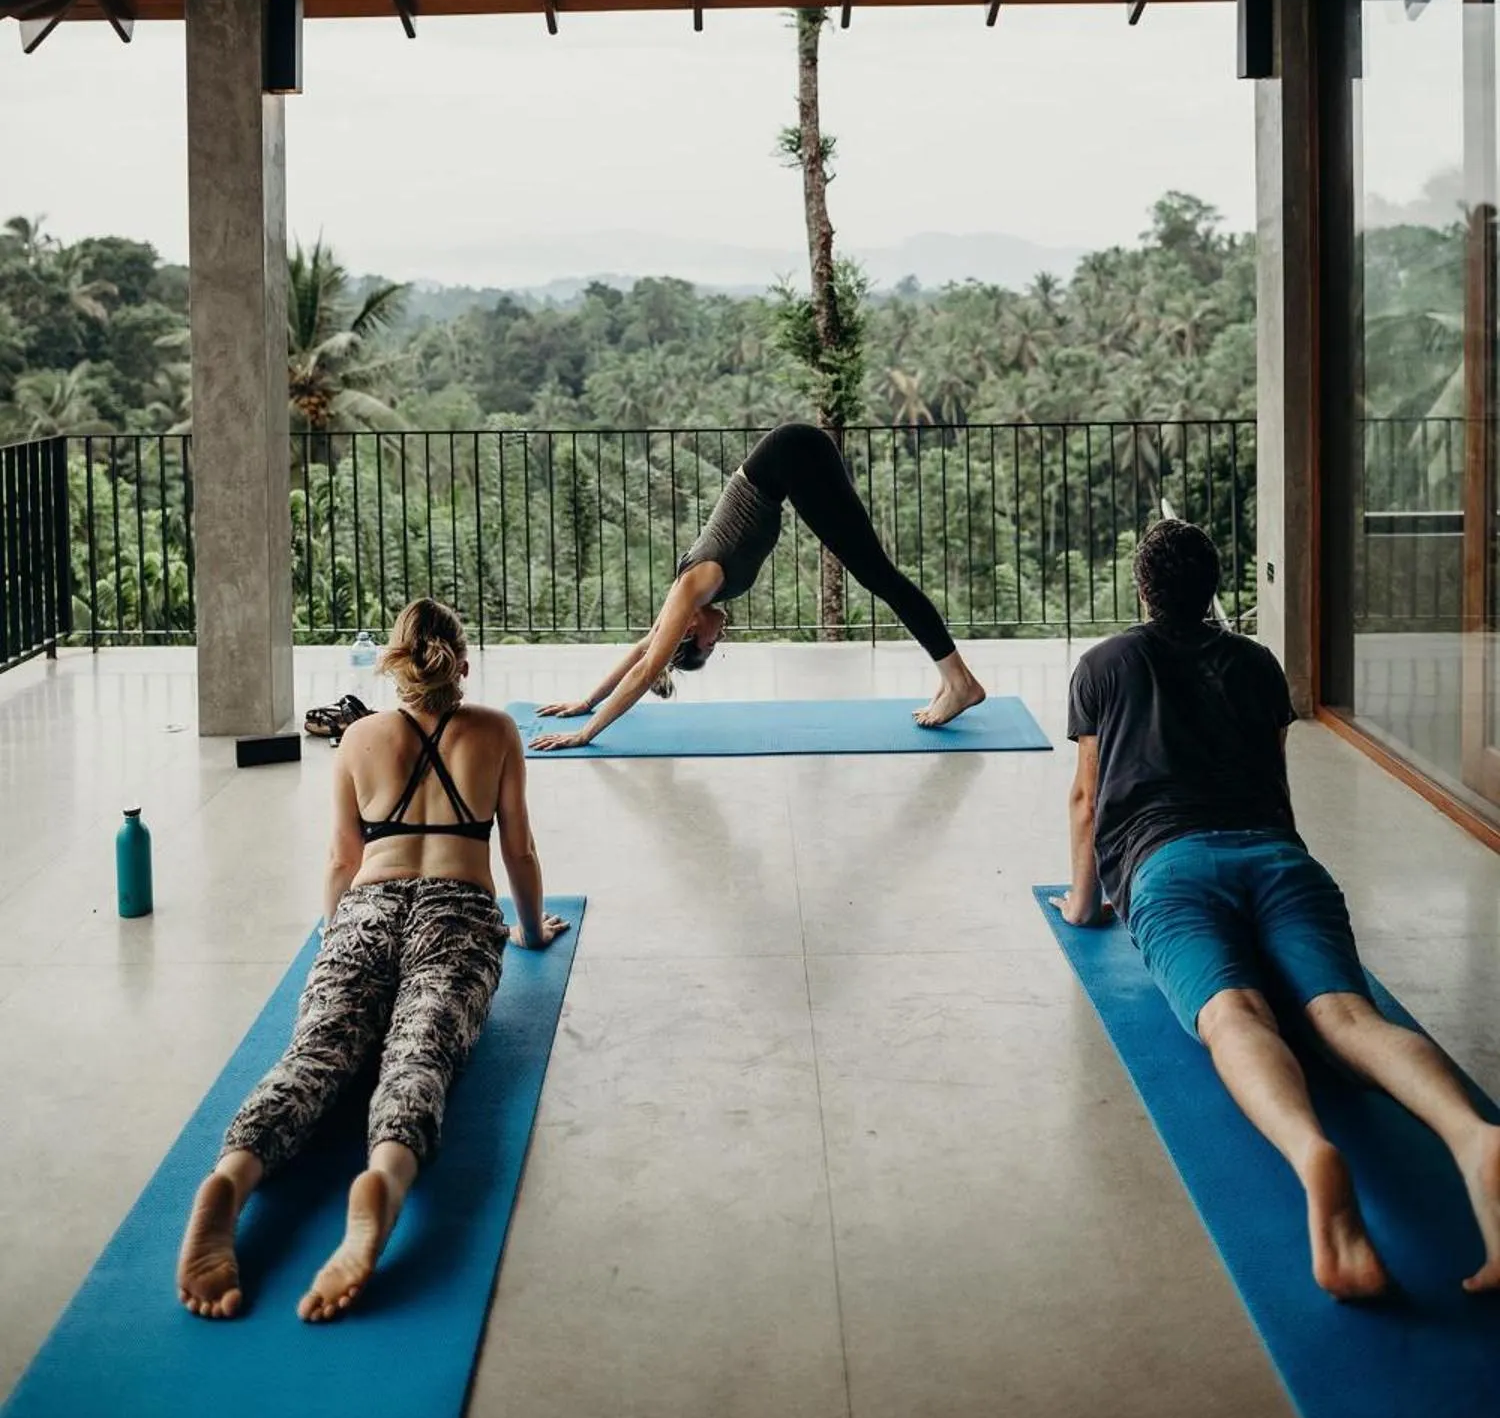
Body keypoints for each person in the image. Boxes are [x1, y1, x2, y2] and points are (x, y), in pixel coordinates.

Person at [1053, 517, 1500, 1302]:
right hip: (1277, 857)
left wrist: (1084, 905)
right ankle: (1471, 1135)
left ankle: (1310, 1152)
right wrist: (1282, 867)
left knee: (1235, 1015)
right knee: (1348, 1016)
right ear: (1213, 590)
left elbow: (1087, 800)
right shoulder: (1256, 663)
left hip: (1169, 868)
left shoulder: (1103, 665)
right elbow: (1275, 783)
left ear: (1142, 589)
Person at [175, 597, 568, 1324]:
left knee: (316, 1051)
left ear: (396, 669)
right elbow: (519, 850)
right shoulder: (496, 732)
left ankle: (234, 1175)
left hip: (368, 906)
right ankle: (384, 1178)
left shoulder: (358, 737)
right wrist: (531, 932)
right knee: (420, 1054)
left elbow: (340, 859)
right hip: (458, 913)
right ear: (462, 666)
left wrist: (339, 937)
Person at [530, 420, 987, 750]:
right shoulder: (687, 600)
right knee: (877, 574)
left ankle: (960, 682)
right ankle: (954, 678)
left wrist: (586, 734)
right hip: (791, 459)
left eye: (710, 645)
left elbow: (646, 670)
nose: (720, 638)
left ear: (691, 630)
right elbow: (645, 650)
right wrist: (586, 701)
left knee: (877, 575)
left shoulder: (695, 587)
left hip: (793, 455)